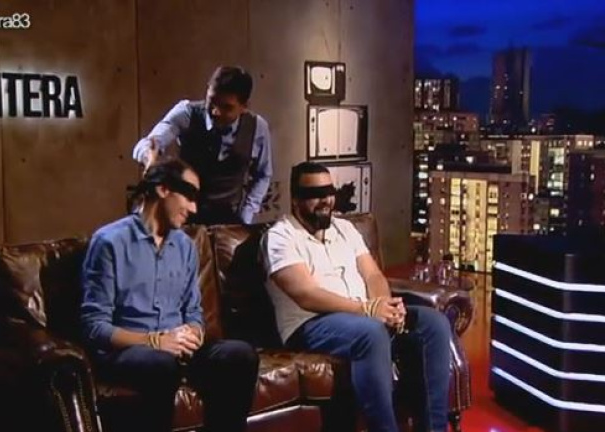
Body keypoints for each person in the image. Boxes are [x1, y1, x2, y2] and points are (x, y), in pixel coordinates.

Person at [261, 162, 452, 432]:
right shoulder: (280, 237)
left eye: (329, 192)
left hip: (363, 316)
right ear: (295, 199)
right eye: (315, 194)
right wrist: (367, 310)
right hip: (311, 324)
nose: (325, 200)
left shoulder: (345, 229)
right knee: (370, 333)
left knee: (433, 323)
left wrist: (384, 307)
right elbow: (306, 295)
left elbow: (373, 276)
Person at [81, 159, 259, 432]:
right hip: (130, 353)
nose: (194, 208)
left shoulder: (185, 246)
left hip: (179, 353)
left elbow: (194, 312)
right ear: (163, 189)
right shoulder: (109, 242)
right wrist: (155, 341)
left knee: (240, 354)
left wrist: (193, 332)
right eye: (189, 196)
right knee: (160, 363)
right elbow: (94, 327)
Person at [132, 65, 273, 225]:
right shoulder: (187, 113)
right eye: (212, 101)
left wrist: (246, 215)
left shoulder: (257, 128)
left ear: (244, 107)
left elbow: (263, 175)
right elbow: (146, 144)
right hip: (186, 216)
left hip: (229, 220)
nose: (215, 112)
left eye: (226, 107)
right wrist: (150, 159)